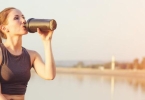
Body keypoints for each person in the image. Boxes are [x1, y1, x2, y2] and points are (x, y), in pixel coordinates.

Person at [0, 7, 56, 100]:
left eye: (23, 17)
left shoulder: (32, 55)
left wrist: (47, 41)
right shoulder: (1, 52)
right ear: (4, 28)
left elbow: (49, 75)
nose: (23, 20)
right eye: (16, 18)